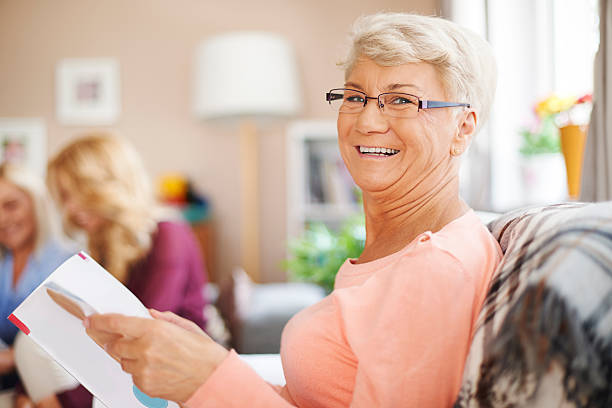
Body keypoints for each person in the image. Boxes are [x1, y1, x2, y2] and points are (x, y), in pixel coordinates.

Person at [85, 12, 502, 407]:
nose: (367, 121)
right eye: (355, 96)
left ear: (463, 127)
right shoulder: (399, 247)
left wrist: (206, 377)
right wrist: (206, 362)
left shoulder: (435, 266)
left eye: (401, 100)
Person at [16, 134, 209, 408]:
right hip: (130, 367)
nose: (69, 208)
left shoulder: (169, 234)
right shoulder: (104, 244)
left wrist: (61, 399)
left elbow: (141, 331)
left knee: (33, 348)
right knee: (33, 341)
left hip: (172, 372)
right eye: (64, 197)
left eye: (75, 194)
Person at [0, 163, 73, 403]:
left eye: (11, 205)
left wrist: (12, 358)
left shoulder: (68, 261)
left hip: (48, 387)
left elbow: (72, 338)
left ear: (37, 204)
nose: (1, 219)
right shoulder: (4, 261)